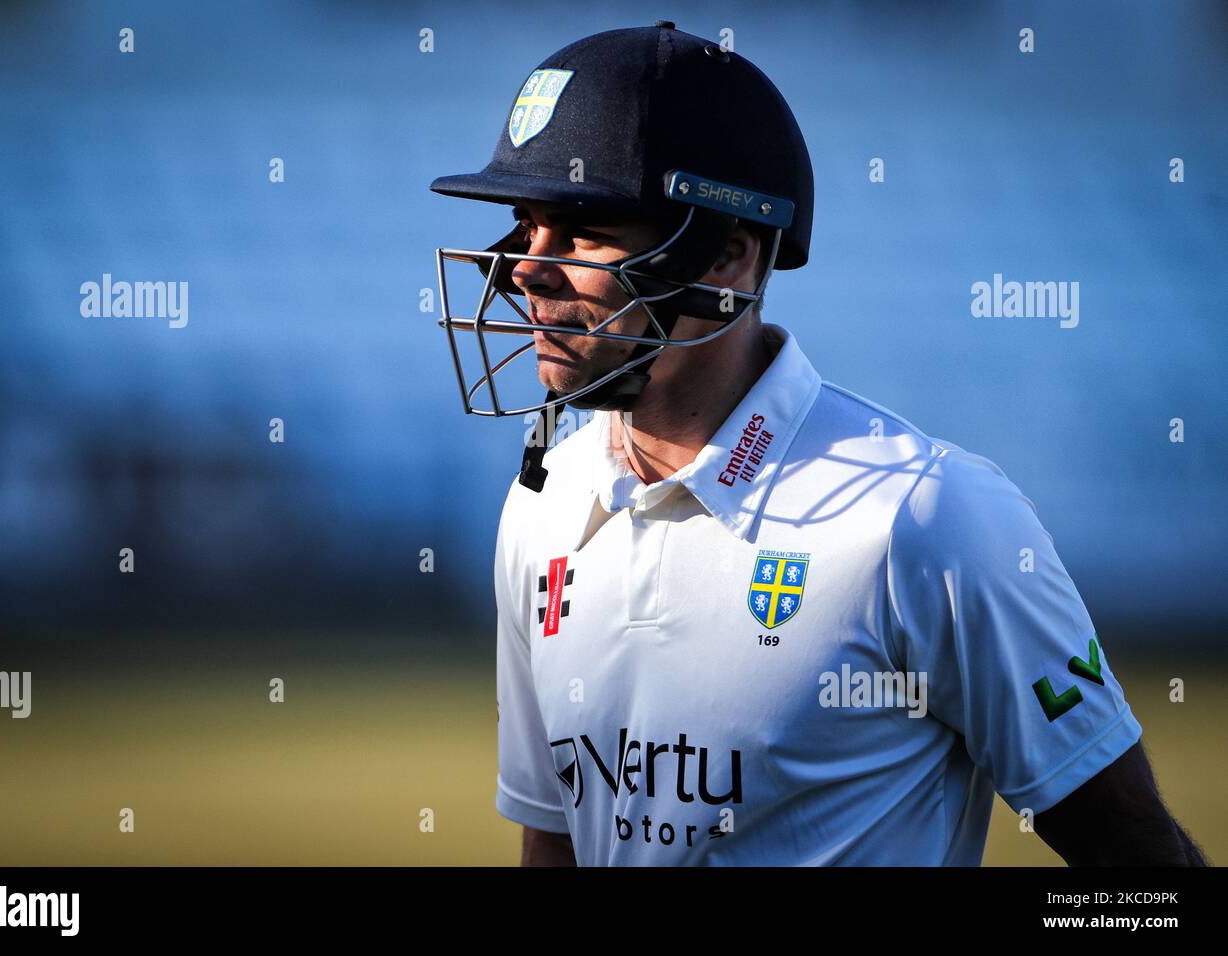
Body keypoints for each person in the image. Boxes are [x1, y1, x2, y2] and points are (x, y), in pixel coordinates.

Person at [429, 22, 1206, 866]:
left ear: (729, 255)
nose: (526, 270)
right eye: (526, 224)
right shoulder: (544, 503)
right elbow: (556, 846)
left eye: (581, 232)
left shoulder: (931, 517)